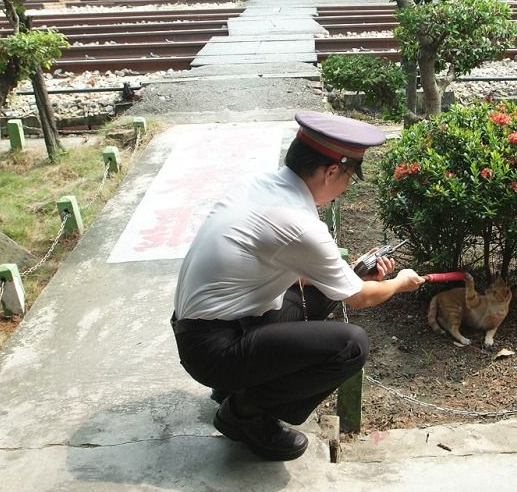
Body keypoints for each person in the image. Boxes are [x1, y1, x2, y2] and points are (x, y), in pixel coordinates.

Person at [171, 111, 425, 461]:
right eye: (349, 178)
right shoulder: (298, 222)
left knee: (322, 292)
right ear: (330, 172)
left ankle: (232, 388)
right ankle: (245, 413)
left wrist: (350, 274)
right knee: (351, 346)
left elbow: (306, 274)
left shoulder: (258, 185)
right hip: (214, 352)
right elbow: (360, 297)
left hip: (204, 330)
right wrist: (399, 283)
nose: (346, 188)